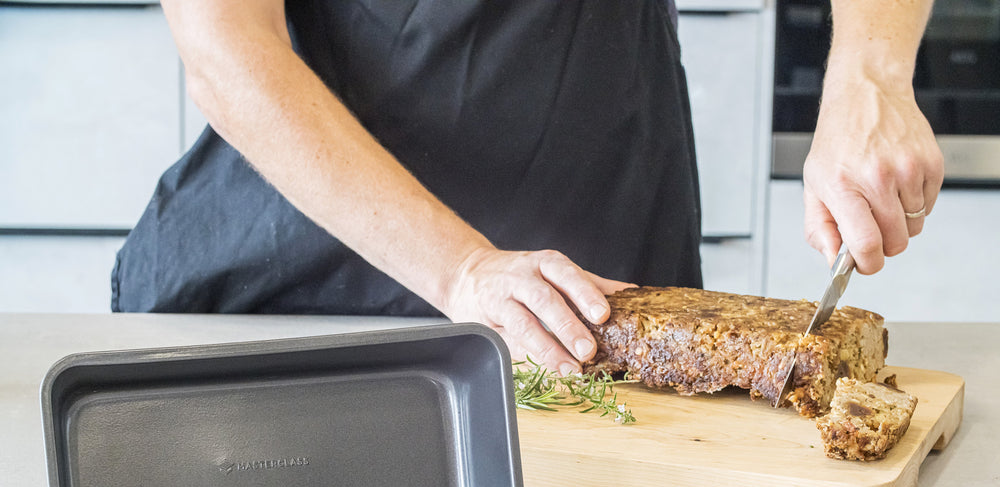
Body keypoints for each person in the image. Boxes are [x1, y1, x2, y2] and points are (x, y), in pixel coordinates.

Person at [112, 0, 943, 377]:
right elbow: (224, 51)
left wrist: (870, 72)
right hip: (296, 292)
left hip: (595, 293)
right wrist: (462, 271)